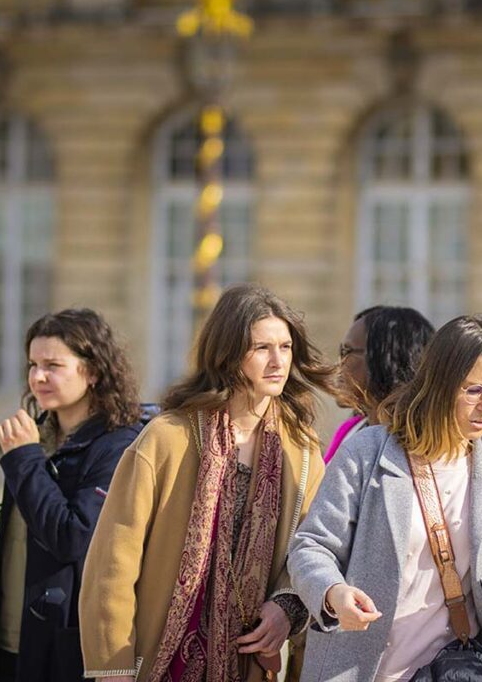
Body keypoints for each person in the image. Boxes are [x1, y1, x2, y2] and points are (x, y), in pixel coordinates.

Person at [79, 283, 336, 682]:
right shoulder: (167, 437)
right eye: (261, 348)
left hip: (247, 663)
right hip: (159, 661)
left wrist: (288, 607)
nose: (277, 361)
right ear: (228, 354)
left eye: (285, 348)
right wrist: (114, 667)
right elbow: (112, 562)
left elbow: (312, 549)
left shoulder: (301, 449)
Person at [289, 314, 482, 682]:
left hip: (446, 671)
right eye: (475, 390)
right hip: (353, 667)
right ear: (441, 383)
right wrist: (333, 593)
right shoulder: (368, 452)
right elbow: (310, 546)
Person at [0, 309, 144, 682]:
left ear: (94, 371)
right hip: (6, 642)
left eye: (53, 365)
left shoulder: (118, 446)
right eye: (33, 364)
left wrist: (24, 460)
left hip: (66, 647)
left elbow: (73, 538)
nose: (38, 377)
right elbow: (9, 549)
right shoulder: (37, 437)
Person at [324, 305, 434, 463]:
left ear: (387, 359)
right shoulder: (351, 430)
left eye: (347, 352)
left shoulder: (421, 447)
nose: (339, 365)